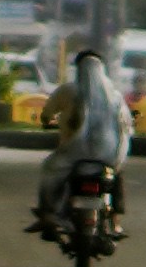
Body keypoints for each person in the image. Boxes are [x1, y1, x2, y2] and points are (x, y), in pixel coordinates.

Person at [33, 39, 134, 243]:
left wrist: (48, 121)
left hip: (74, 153)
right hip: (107, 155)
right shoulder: (114, 96)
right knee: (116, 176)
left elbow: (47, 113)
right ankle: (115, 220)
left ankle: (49, 214)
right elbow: (126, 125)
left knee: (50, 171)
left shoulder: (69, 90)